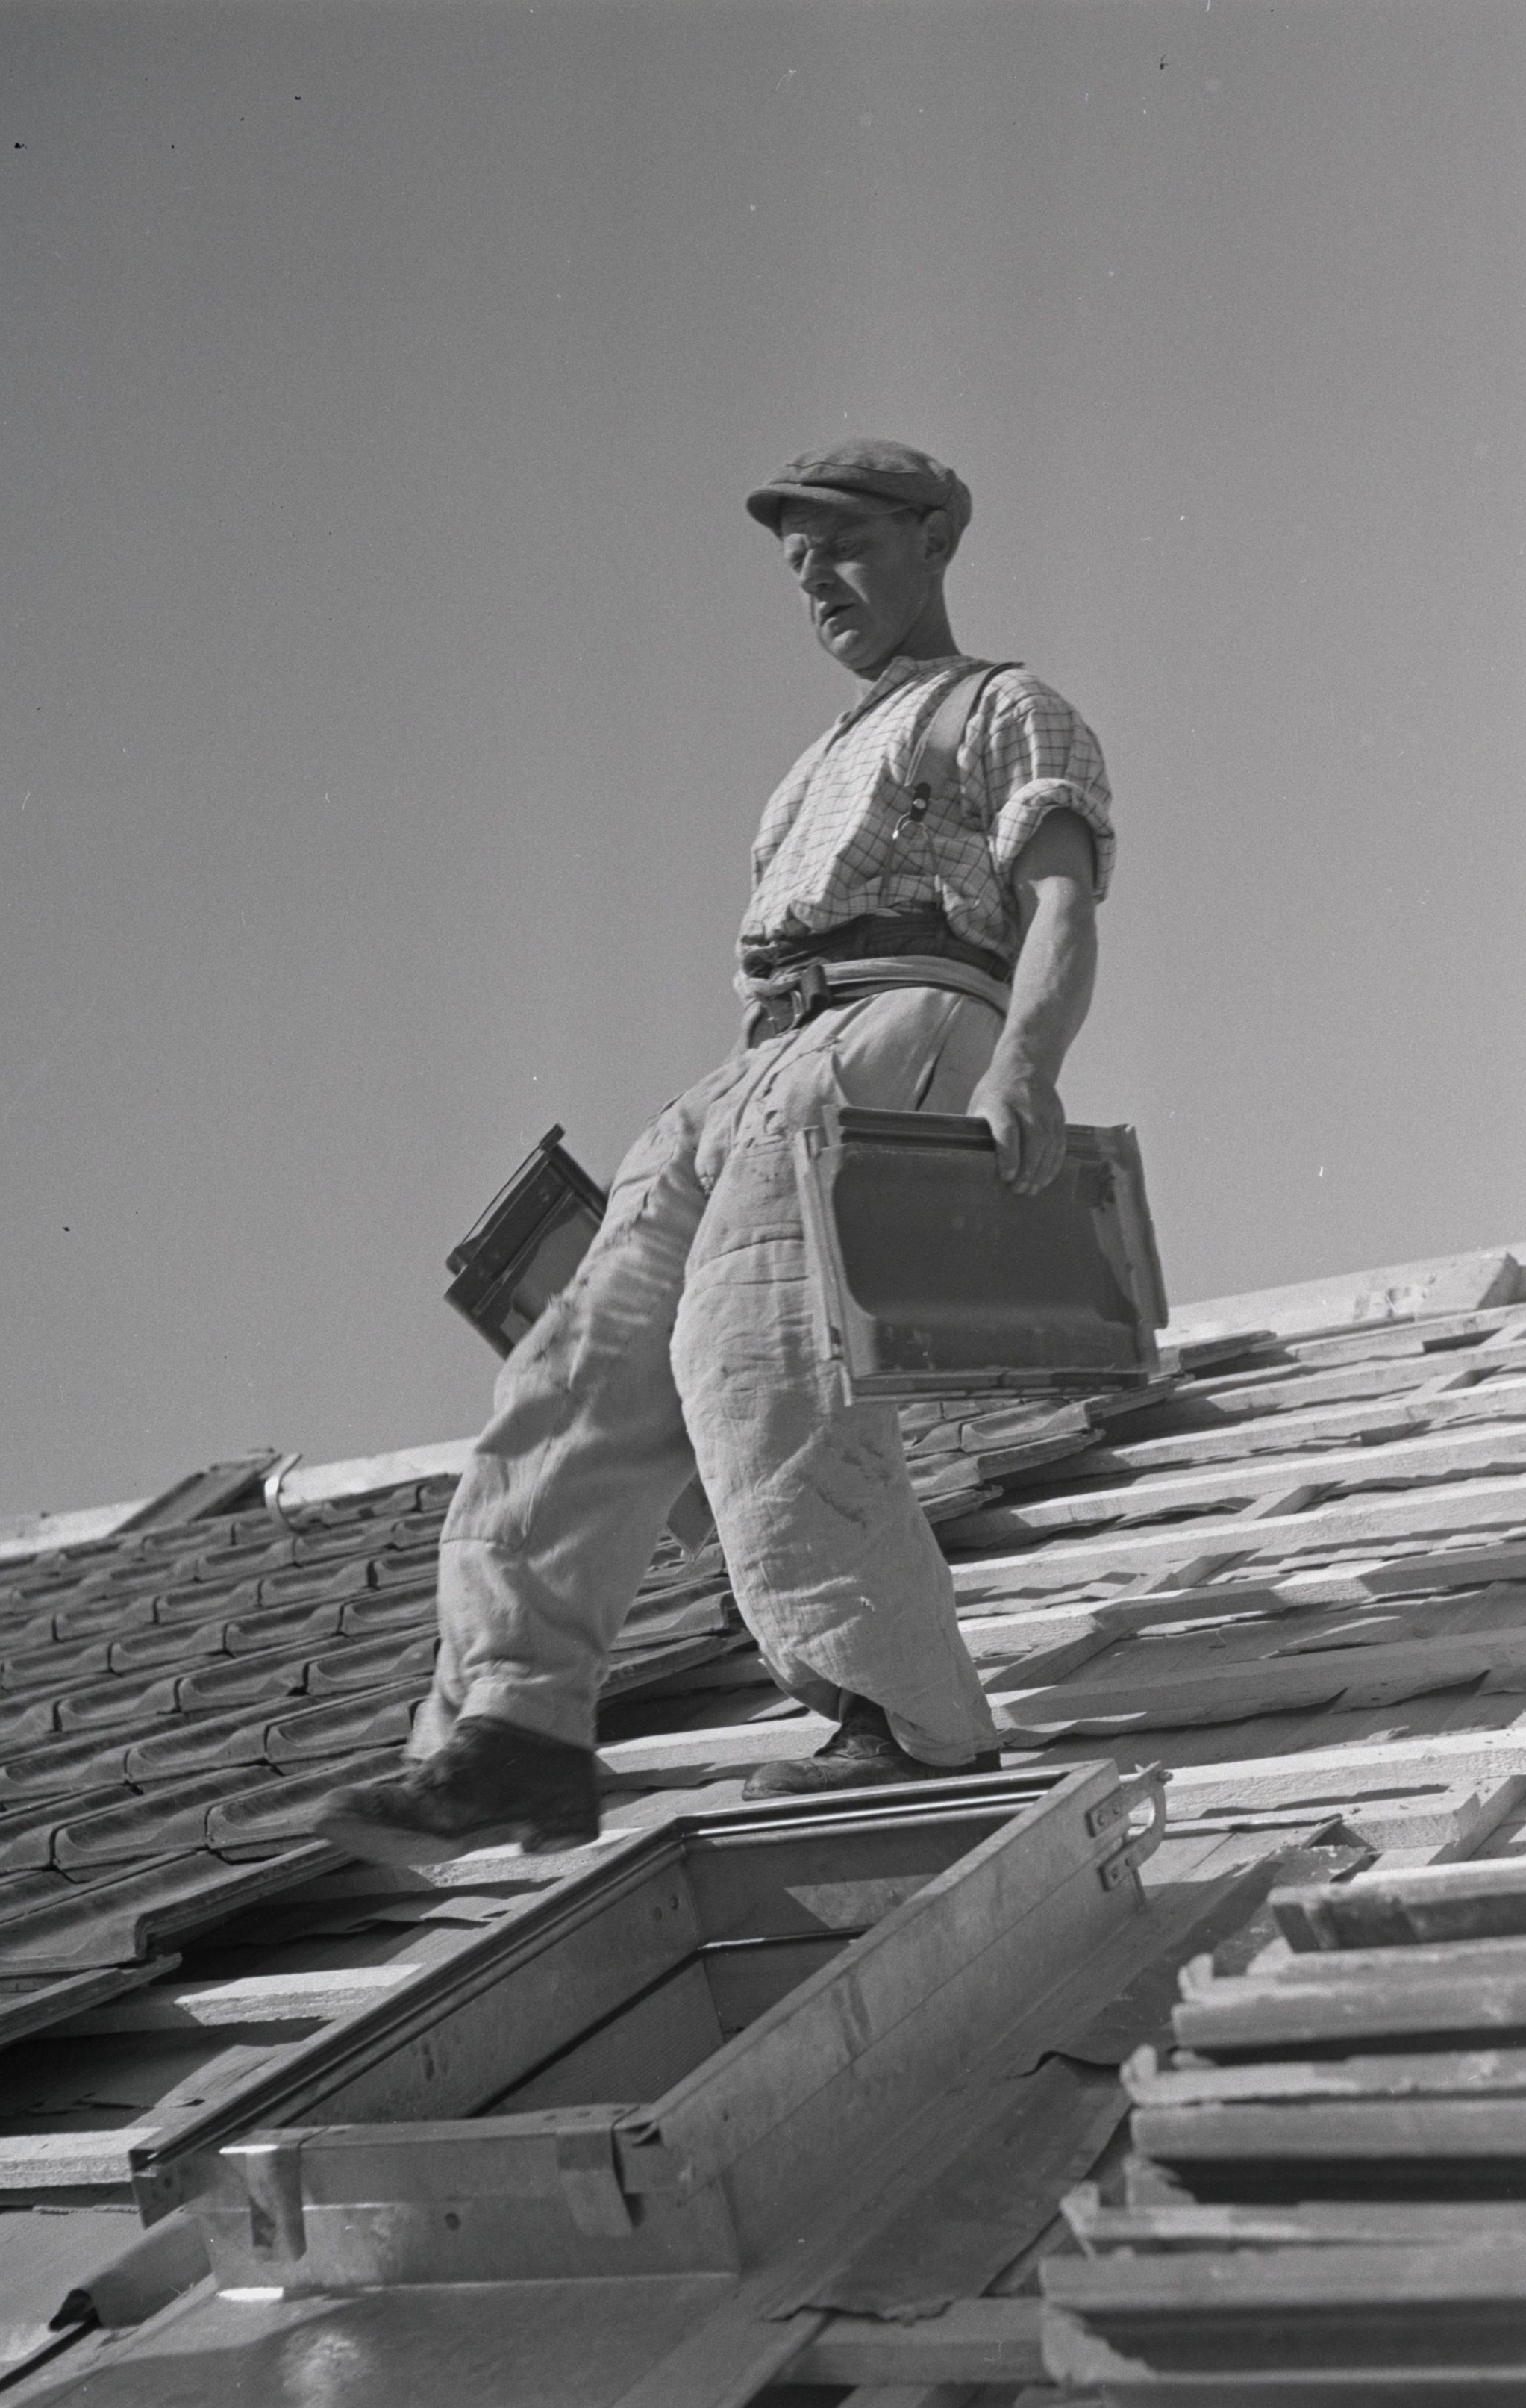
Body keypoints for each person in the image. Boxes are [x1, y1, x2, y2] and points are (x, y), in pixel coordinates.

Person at [316, 438, 1115, 1865]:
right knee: (571, 1372)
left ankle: (909, 1718)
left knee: (755, 1355)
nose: (818, 580)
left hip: (900, 1016)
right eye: (798, 561)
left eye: (849, 544)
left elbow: (1058, 899)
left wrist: (1025, 1066)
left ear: (935, 539)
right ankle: (515, 1726)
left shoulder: (1002, 705)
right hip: (751, 1065)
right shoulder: (807, 770)